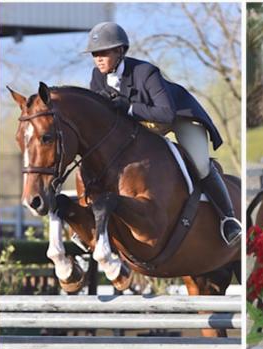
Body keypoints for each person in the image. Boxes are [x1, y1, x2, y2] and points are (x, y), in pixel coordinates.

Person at [85, 22, 241, 245]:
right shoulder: (97, 77)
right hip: (142, 125)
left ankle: (229, 219)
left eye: (103, 53)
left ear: (119, 51)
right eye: (95, 54)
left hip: (179, 118)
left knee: (200, 165)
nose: (98, 59)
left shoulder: (145, 72)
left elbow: (166, 114)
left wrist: (129, 107)